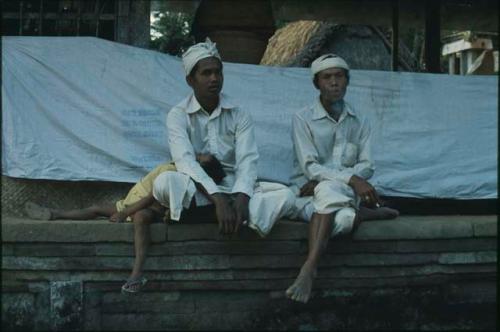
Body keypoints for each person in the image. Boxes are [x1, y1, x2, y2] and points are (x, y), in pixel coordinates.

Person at [152, 37, 294, 242]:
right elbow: (185, 163)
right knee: (164, 183)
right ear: (190, 80)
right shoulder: (178, 114)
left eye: (218, 72)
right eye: (206, 73)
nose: (214, 78)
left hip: (234, 188)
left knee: (286, 196)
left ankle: (209, 216)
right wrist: (218, 200)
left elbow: (247, 160)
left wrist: (242, 197)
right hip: (201, 190)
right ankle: (227, 216)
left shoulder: (238, 113)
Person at [286, 54, 399, 303]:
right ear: (317, 84)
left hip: (340, 192)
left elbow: (367, 166)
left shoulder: (361, 120)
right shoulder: (302, 118)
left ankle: (309, 267)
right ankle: (364, 214)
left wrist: (340, 180)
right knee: (345, 219)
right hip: (307, 194)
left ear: (347, 82)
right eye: (327, 77)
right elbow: (309, 166)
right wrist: (350, 179)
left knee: (328, 189)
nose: (334, 82)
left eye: (339, 77)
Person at [24, 153, 226, 293]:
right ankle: (54, 213)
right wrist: (125, 209)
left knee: (140, 219)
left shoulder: (179, 178)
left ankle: (136, 274)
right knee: (95, 208)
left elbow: (151, 198)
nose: (196, 155)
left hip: (148, 208)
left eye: (199, 159)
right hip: (130, 202)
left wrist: (125, 213)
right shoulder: (175, 165)